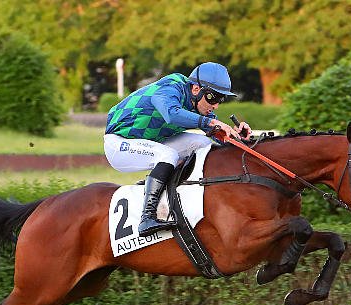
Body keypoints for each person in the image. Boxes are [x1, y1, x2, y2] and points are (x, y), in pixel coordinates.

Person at [104, 62, 252, 237]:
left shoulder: (199, 106)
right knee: (168, 155)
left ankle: (180, 195)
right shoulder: (171, 86)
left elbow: (218, 136)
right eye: (213, 98)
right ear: (196, 89)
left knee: (203, 144)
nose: (216, 105)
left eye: (220, 99)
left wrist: (240, 138)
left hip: (152, 143)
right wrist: (211, 122)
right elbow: (171, 114)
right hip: (119, 144)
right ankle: (147, 217)